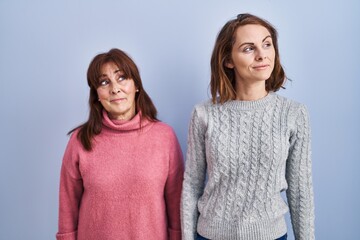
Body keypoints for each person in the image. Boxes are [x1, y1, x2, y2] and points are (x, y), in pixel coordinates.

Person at [181, 13, 315, 240]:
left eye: (267, 44)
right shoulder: (203, 114)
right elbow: (192, 185)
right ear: (228, 60)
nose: (262, 55)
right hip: (211, 235)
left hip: (271, 235)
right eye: (248, 48)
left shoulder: (293, 114)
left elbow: (301, 191)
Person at [56, 48, 184, 240]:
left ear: (137, 85)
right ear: (97, 95)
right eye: (104, 82)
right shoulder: (80, 140)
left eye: (122, 78)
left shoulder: (164, 137)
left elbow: (176, 205)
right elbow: (68, 206)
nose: (115, 88)